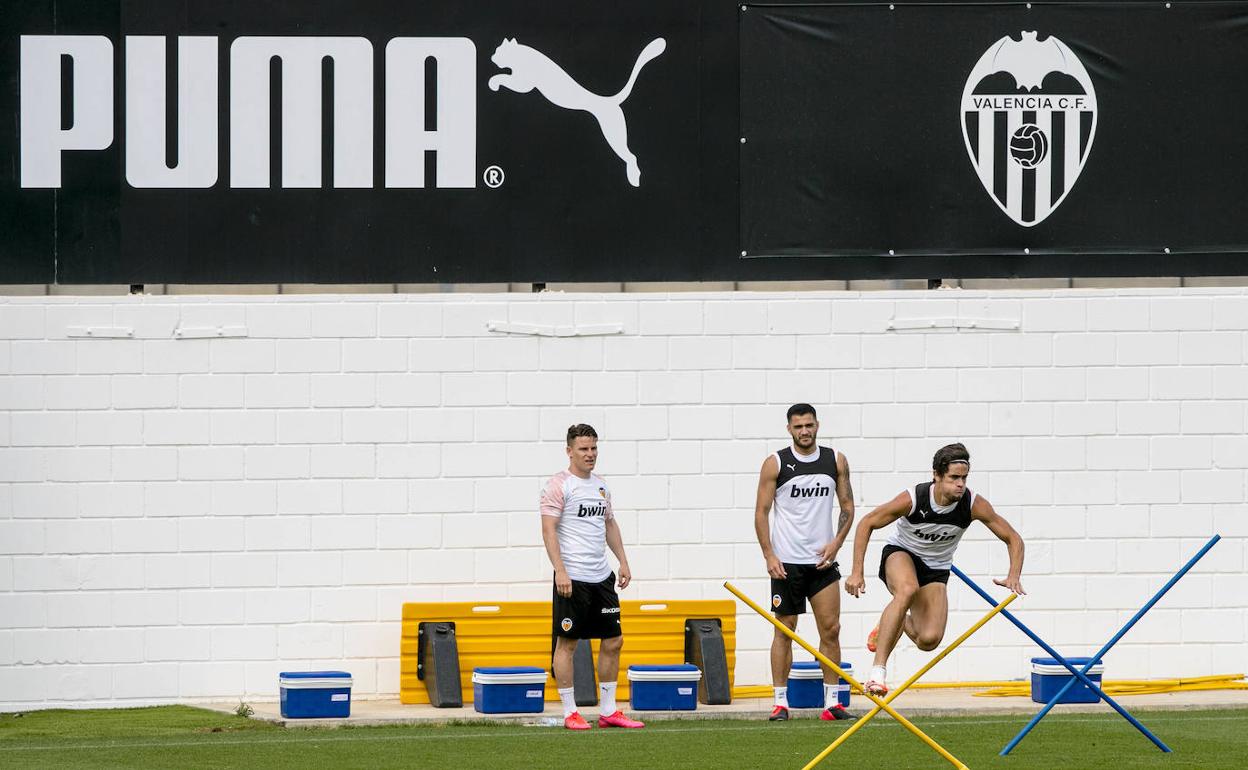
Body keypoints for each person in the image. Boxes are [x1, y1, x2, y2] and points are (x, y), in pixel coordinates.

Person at [845, 442, 1025, 696]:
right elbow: (867, 523)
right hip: (902, 554)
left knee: (928, 640)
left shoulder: (973, 504)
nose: (960, 484)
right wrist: (856, 572)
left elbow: (1013, 538)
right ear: (937, 476)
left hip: (936, 569)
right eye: (953, 478)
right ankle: (877, 674)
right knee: (907, 590)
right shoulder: (914, 498)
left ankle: (890, 620)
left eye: (964, 478)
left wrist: (1013, 575)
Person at [754, 403, 856, 722]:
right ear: (789, 429)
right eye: (798, 426)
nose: (805, 431)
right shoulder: (776, 463)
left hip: (822, 563)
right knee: (785, 631)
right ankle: (780, 702)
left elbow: (848, 506)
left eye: (809, 425)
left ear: (817, 425)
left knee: (831, 630)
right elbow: (761, 512)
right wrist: (769, 554)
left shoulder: (835, 460)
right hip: (787, 563)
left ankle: (831, 704)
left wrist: (837, 543)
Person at [540, 424, 645, 731]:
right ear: (569, 450)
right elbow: (548, 529)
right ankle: (570, 712)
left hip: (602, 578)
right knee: (568, 644)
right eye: (583, 449)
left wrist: (623, 561)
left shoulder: (601, 486)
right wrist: (560, 569)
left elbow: (609, 524)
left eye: (594, 448)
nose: (590, 454)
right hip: (572, 578)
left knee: (614, 640)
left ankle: (609, 710)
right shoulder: (559, 485)